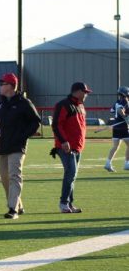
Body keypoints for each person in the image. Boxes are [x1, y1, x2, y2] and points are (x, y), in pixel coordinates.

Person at [0, 72, 41, 220]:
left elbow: (35, 121)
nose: (0, 87)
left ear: (11, 86)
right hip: (0, 146)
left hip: (17, 147)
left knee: (14, 176)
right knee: (4, 178)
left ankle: (12, 208)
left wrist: (22, 136)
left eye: (3, 84)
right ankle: (18, 204)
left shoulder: (23, 102)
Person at [51, 82, 91, 213]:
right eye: (85, 92)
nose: (86, 95)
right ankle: (64, 203)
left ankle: (69, 203)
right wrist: (63, 141)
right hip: (66, 147)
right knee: (71, 173)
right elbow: (56, 125)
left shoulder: (80, 106)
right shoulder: (63, 105)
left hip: (77, 146)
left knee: (72, 175)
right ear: (78, 91)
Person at [104, 86, 129, 172]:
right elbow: (119, 110)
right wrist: (125, 117)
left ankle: (108, 163)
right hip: (123, 127)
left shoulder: (116, 102)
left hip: (116, 127)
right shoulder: (125, 101)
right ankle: (127, 164)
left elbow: (112, 111)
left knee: (115, 146)